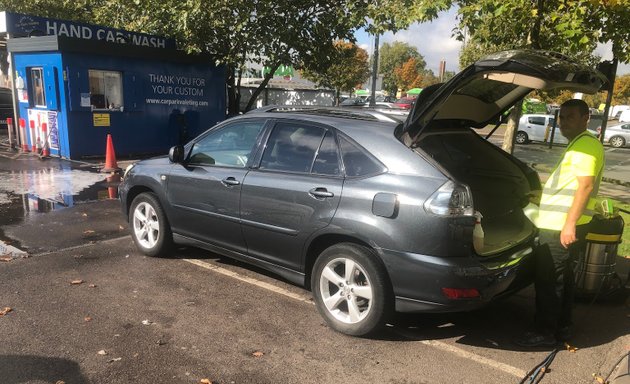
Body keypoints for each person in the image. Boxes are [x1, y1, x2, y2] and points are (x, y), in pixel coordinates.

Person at [515, 99, 605, 347]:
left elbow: (585, 186)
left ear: (586, 118)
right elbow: (571, 185)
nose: (563, 122)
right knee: (563, 279)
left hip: (560, 227)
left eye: (570, 117)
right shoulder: (581, 144)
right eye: (561, 117)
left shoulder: (585, 147)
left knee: (548, 281)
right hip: (563, 223)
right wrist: (542, 197)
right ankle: (563, 326)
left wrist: (569, 224)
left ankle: (544, 332)